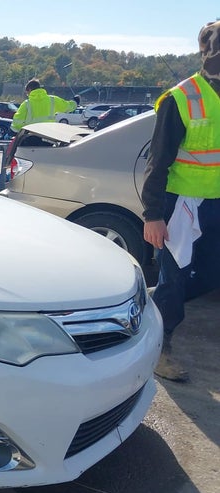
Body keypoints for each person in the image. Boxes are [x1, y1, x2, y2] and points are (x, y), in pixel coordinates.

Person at [141, 19, 220, 382]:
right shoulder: (182, 98)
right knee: (175, 278)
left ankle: (153, 309)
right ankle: (158, 348)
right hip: (181, 205)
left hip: (215, 203)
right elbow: (158, 163)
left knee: (207, 274)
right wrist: (153, 215)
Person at [10, 79, 77, 132]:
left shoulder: (26, 104)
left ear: (29, 90)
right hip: (48, 136)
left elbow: (16, 123)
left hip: (31, 137)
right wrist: (75, 101)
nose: (27, 94)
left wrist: (16, 130)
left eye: (27, 92)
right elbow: (67, 106)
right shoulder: (52, 100)